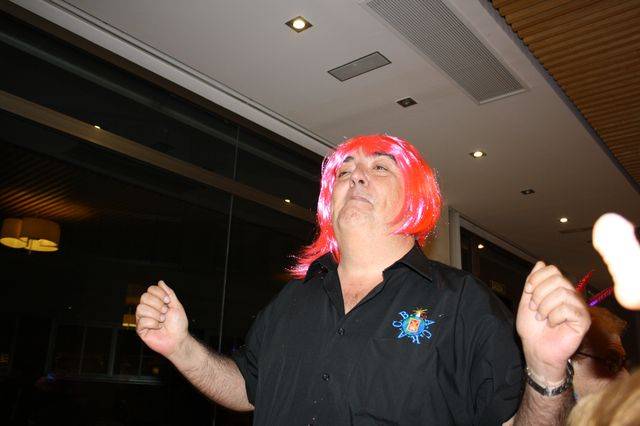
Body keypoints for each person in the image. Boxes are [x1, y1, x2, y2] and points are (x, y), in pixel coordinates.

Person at [135, 134, 590, 425]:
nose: (356, 177)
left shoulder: (463, 302)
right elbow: (246, 389)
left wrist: (547, 369)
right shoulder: (292, 300)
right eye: (345, 171)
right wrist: (180, 347)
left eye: (379, 167)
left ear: (413, 196)